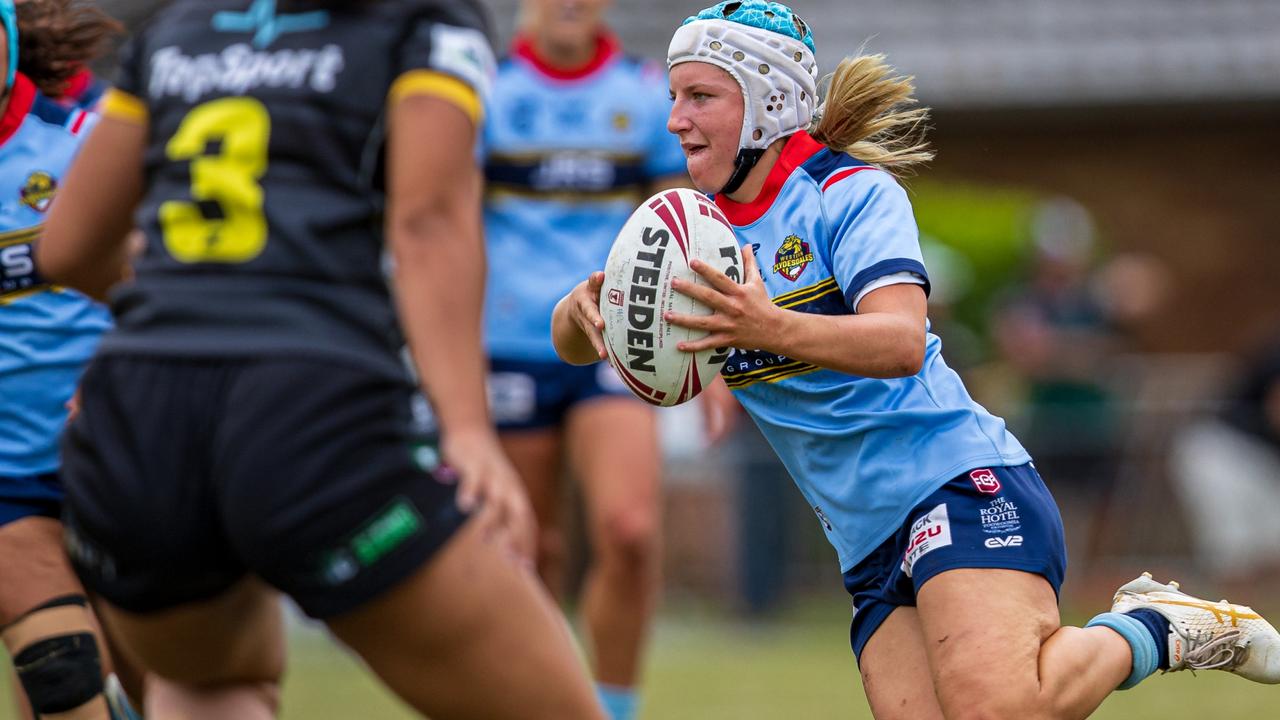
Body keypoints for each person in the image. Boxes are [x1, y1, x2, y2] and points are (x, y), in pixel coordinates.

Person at [552, 2, 1280, 718]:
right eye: (675, 97)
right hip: (865, 541)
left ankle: (1160, 627)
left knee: (998, 709)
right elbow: (582, 344)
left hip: (958, 483)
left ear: (769, 103)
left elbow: (899, 342)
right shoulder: (688, 230)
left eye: (700, 97)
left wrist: (767, 325)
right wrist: (584, 313)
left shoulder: (848, 192)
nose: (675, 119)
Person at [36, 1, 605, 718]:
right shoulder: (421, 19)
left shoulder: (180, 25)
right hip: (310, 408)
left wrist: (178, 319)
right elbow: (428, 219)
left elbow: (66, 246)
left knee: (212, 685)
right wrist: (467, 430)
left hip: (139, 419)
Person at [480, 1, 686, 716]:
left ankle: (616, 708)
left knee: (629, 532)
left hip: (618, 346)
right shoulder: (485, 93)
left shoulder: (647, 94)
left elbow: (685, 232)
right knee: (528, 553)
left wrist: (712, 355)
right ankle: (543, 701)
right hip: (507, 348)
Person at [0, 2, 144, 718]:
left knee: (166, 688)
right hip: (7, 485)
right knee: (61, 680)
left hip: (112, 456)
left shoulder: (86, 143)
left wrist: (116, 376)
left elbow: (164, 287)